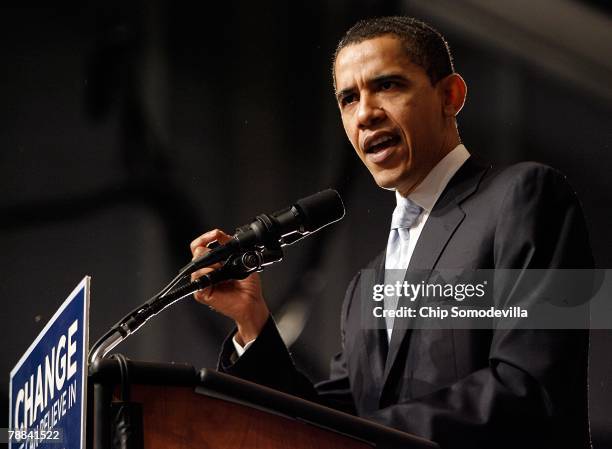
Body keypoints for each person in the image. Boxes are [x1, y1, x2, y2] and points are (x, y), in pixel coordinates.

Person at [189, 17, 593, 449]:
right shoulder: (367, 285)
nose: (365, 113)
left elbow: (532, 389)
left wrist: (368, 436)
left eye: (388, 85)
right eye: (348, 98)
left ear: (450, 96)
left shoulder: (530, 194)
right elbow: (319, 426)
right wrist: (251, 321)